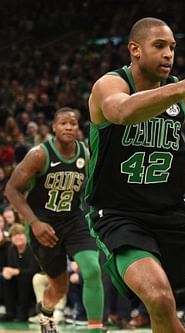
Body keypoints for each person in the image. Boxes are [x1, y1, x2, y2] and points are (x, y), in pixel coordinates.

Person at [85, 17, 185, 333]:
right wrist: (183, 86)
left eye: (172, 47)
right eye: (159, 46)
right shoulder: (111, 85)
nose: (169, 54)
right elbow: (122, 111)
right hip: (120, 214)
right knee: (159, 299)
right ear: (135, 49)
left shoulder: (184, 95)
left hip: (174, 211)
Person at [5, 108, 105, 333]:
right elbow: (11, 189)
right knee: (59, 287)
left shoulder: (85, 154)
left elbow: (91, 189)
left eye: (73, 123)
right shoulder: (39, 154)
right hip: (44, 224)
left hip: (74, 220)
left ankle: (96, 329)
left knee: (91, 269)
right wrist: (34, 223)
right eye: (63, 123)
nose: (69, 127)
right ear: (54, 128)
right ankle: (46, 312)